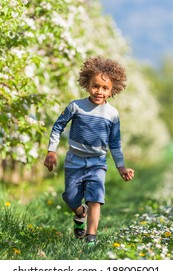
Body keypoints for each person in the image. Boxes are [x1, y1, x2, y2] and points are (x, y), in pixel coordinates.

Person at [44, 56, 134, 246]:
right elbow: (58, 127)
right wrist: (51, 151)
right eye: (95, 86)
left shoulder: (112, 115)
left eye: (105, 88)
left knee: (95, 199)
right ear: (87, 84)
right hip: (74, 161)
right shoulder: (76, 106)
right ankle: (80, 213)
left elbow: (115, 143)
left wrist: (121, 167)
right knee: (70, 197)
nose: (99, 91)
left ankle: (91, 237)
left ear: (112, 90)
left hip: (97, 163)